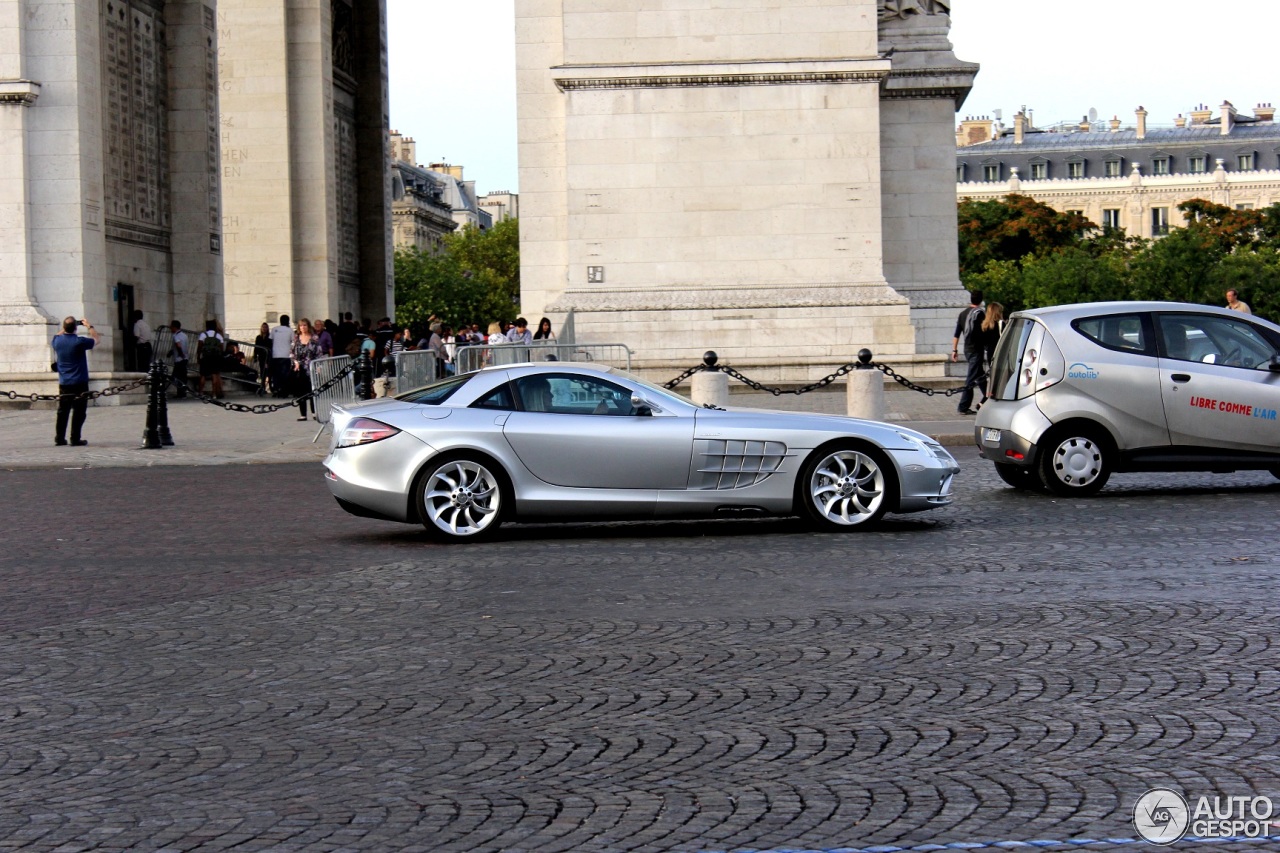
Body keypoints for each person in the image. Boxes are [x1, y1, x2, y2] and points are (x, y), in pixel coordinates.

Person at [51, 316, 100, 446]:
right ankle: (75, 437)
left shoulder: (57, 341)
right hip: (79, 382)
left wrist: (66, 327)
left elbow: (57, 335)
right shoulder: (79, 341)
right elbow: (96, 339)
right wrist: (89, 326)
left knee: (63, 411)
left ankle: (60, 438)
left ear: (64, 327)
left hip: (64, 382)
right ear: (76, 328)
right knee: (79, 412)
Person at [951, 289, 986, 415]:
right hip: (976, 349)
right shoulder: (980, 313)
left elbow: (956, 334)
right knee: (971, 378)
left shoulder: (962, 314)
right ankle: (963, 406)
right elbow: (982, 332)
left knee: (980, 376)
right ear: (981, 300)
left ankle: (989, 398)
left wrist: (954, 350)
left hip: (967, 349)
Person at [291, 318, 323, 421]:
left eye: (305, 325)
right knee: (301, 392)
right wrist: (295, 362)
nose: (303, 328)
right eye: (301, 326)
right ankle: (303, 414)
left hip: (311, 367)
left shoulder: (314, 338)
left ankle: (314, 412)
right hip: (300, 368)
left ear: (308, 326)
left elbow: (319, 353)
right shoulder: (296, 338)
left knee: (312, 390)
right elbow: (291, 352)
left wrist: (318, 366)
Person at [196, 319, 225, 398]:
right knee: (214, 375)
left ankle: (200, 392)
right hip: (215, 358)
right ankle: (214, 394)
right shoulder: (219, 336)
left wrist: (198, 356)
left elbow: (199, 346)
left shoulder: (203, 335)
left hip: (206, 357)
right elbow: (222, 348)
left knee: (203, 375)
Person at [269, 314, 294, 397]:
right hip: (286, 355)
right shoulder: (290, 330)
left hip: (275, 355)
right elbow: (293, 342)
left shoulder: (274, 329)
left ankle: (277, 389)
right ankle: (284, 390)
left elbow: (270, 341)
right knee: (285, 374)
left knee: (276, 375)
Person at [169, 320, 189, 398]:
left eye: (171, 327)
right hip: (185, 359)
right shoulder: (185, 335)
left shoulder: (175, 336)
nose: (170, 328)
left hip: (179, 359)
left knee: (175, 376)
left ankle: (180, 393)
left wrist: (181, 354)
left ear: (174, 327)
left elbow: (178, 345)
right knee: (183, 376)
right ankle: (183, 393)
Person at [253, 322, 271, 392]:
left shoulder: (269, 337)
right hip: (261, 357)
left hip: (268, 356)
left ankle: (269, 386)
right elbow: (256, 347)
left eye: (266, 327)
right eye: (263, 327)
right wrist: (255, 356)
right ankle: (262, 386)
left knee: (268, 372)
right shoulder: (258, 337)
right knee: (262, 371)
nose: (264, 329)